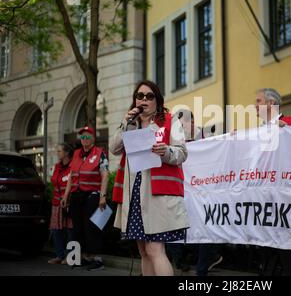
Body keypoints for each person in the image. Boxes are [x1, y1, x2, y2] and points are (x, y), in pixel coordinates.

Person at [111, 80, 189, 276]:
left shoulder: (170, 121)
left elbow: (182, 153)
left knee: (155, 250)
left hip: (157, 194)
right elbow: (114, 149)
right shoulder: (131, 124)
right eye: (140, 96)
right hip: (134, 193)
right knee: (144, 252)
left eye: (149, 96)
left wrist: (166, 151)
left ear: (157, 100)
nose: (144, 100)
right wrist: (125, 123)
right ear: (135, 100)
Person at [255, 88, 291, 276]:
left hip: (286, 201)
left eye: (258, 101)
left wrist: (286, 132)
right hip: (265, 201)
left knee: (288, 253)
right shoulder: (258, 131)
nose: (255, 106)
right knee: (266, 251)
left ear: (271, 103)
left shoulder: (290, 124)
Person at [175, 109, 224, 276]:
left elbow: (221, 149)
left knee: (204, 229)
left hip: (205, 193)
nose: (180, 128)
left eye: (183, 125)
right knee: (176, 231)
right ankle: (182, 262)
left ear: (193, 123)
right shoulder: (177, 141)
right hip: (184, 192)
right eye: (178, 125)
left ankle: (202, 269)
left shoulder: (206, 137)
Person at [61, 126, 109, 271]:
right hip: (76, 195)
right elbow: (71, 177)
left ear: (93, 138)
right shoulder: (76, 154)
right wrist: (65, 195)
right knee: (77, 228)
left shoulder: (100, 153)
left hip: (92, 195)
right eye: (82, 137)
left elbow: (105, 175)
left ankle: (96, 259)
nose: (85, 139)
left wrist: (103, 196)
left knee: (91, 227)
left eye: (88, 136)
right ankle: (80, 258)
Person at [48, 143, 74, 265]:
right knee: (56, 229)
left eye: (59, 151)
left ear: (66, 153)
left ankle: (69, 256)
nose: (57, 153)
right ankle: (59, 255)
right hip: (56, 203)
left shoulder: (73, 166)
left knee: (69, 230)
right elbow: (53, 181)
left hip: (68, 203)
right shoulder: (57, 166)